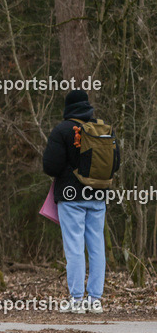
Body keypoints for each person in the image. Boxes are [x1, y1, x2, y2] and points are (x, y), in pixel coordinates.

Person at [43, 89, 121, 314]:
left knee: (74, 247)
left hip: (71, 197)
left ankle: (76, 299)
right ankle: (95, 300)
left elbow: (51, 166)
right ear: (87, 106)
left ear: (68, 107)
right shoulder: (102, 129)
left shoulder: (62, 130)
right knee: (97, 246)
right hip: (98, 196)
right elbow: (115, 164)